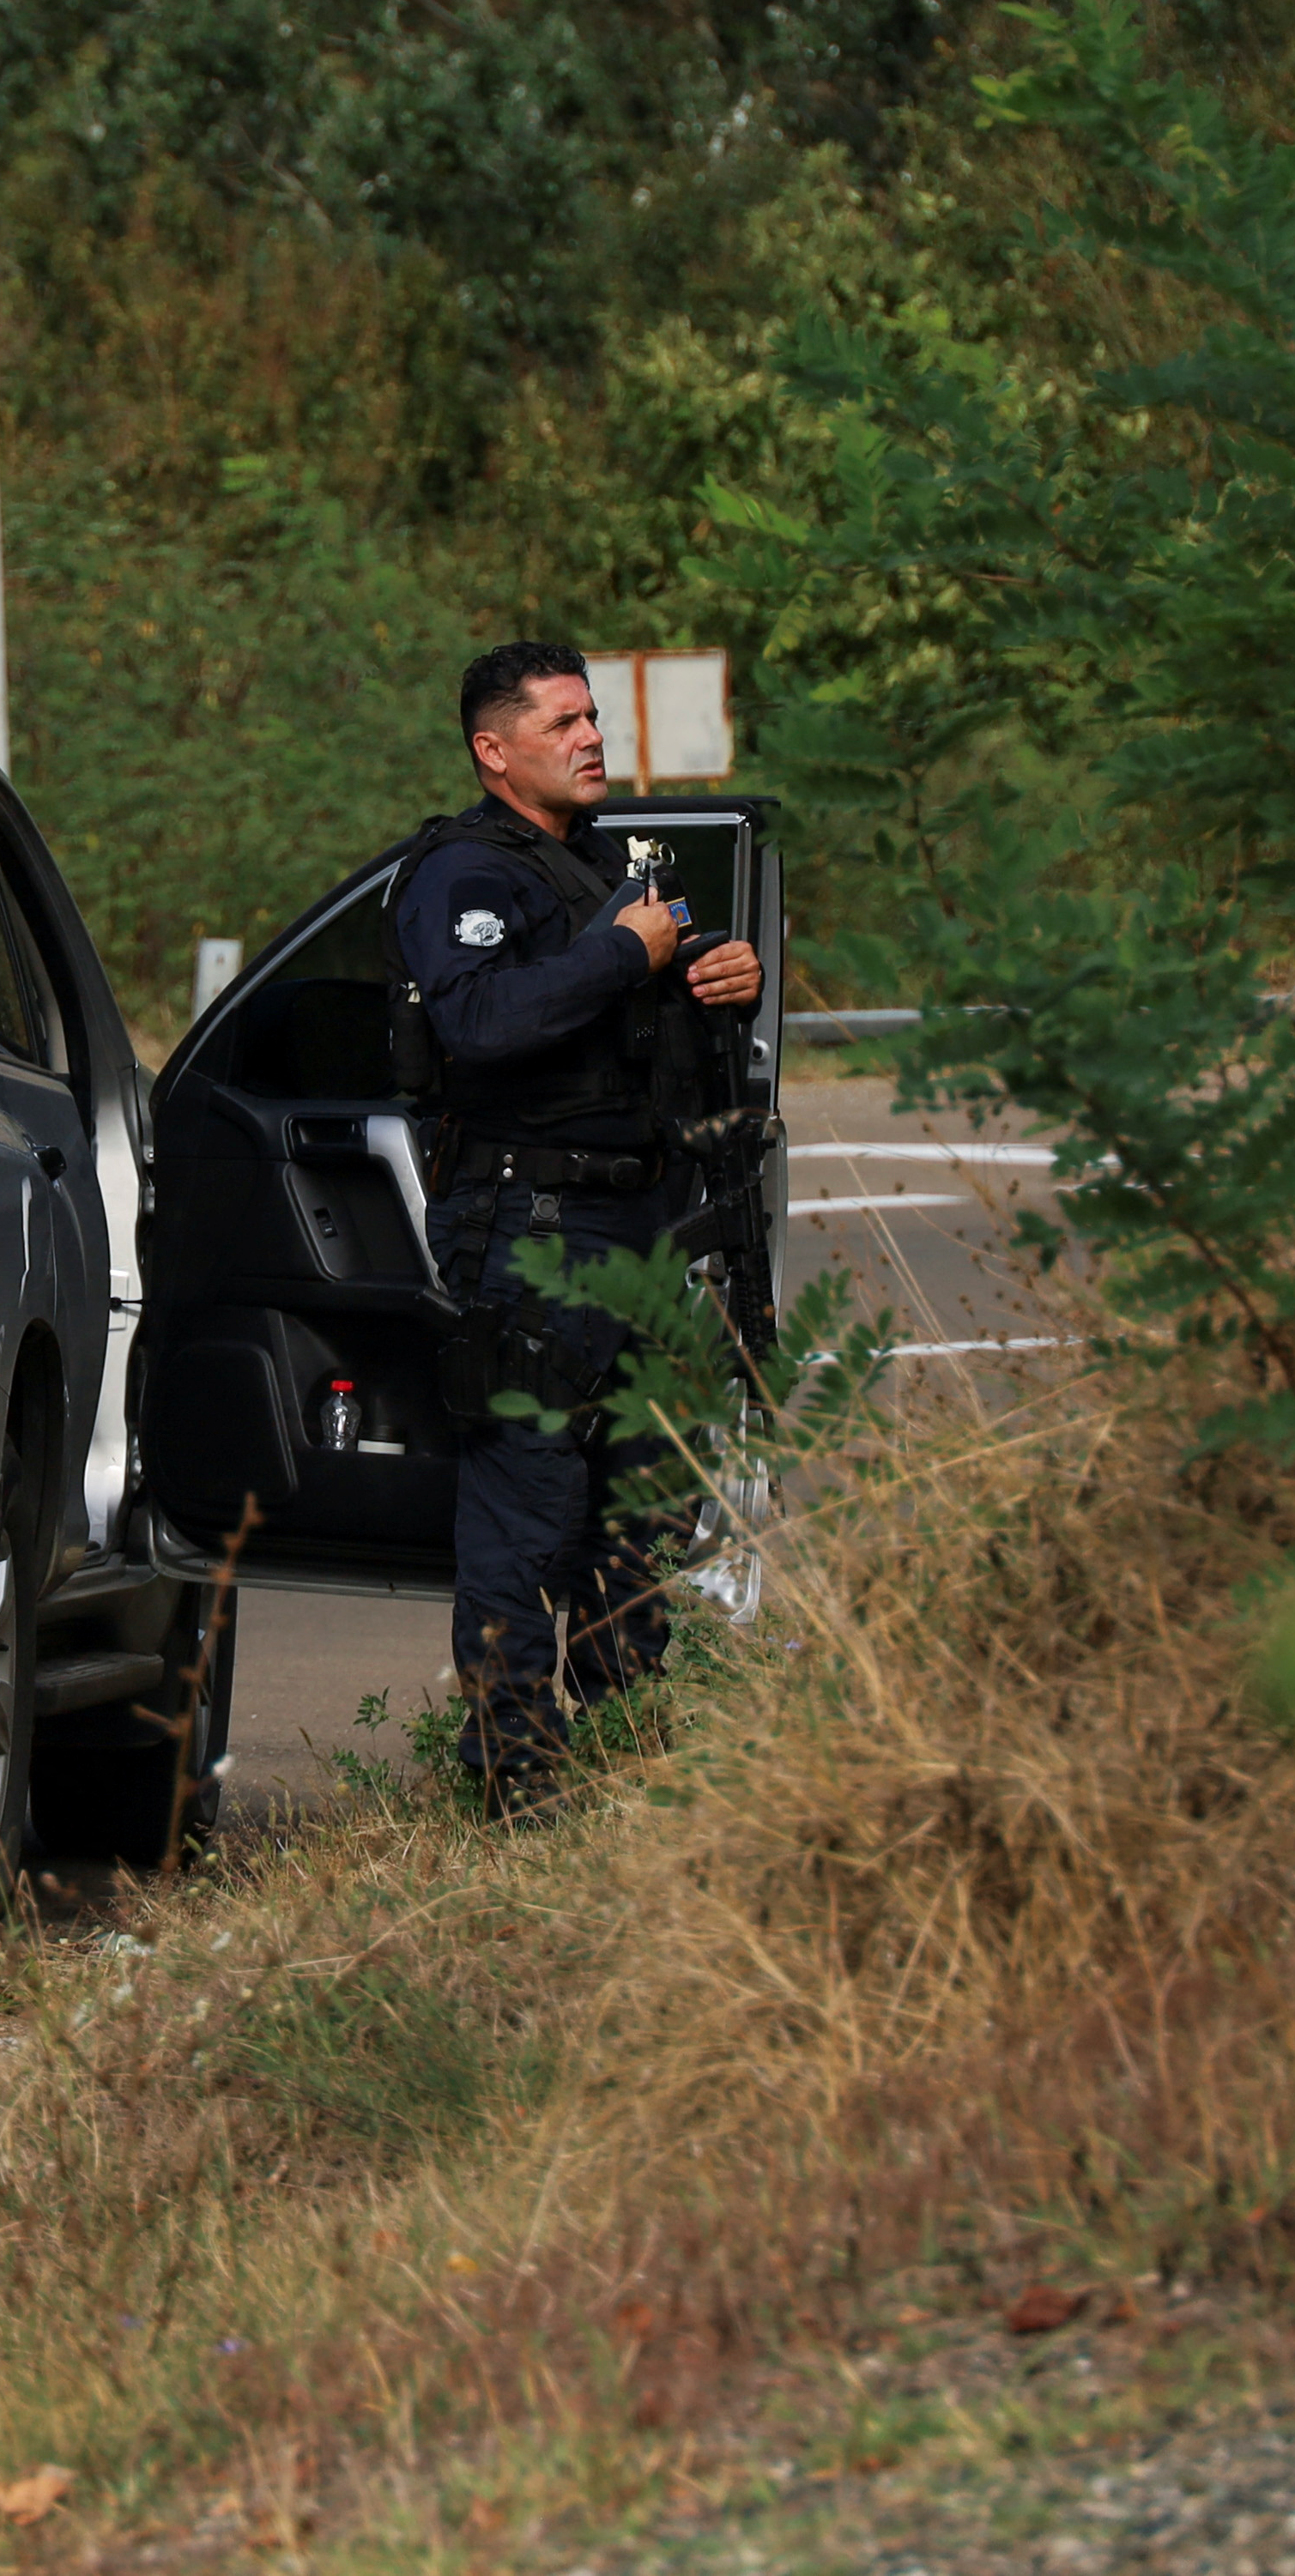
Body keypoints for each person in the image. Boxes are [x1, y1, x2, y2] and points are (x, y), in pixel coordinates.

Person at [391, 640, 764, 1812]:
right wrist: (625, 951)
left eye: (593, 716)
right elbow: (483, 1021)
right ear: (495, 750)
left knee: (651, 1495)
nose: (592, 736)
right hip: (529, 1224)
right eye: (562, 722)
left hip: (640, 1217)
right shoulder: (461, 874)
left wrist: (716, 966)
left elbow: (663, 994)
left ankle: (626, 1748)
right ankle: (517, 1772)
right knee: (529, 1503)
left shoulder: (607, 869)